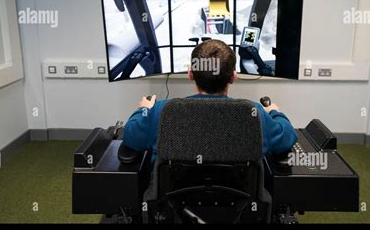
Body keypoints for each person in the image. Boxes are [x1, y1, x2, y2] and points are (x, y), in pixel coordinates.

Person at [123, 39, 297, 161]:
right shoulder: (254, 113)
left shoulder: (161, 111)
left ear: (190, 74)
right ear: (233, 77)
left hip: (174, 205)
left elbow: (131, 137)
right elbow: (288, 138)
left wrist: (144, 109)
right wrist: (274, 112)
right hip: (238, 206)